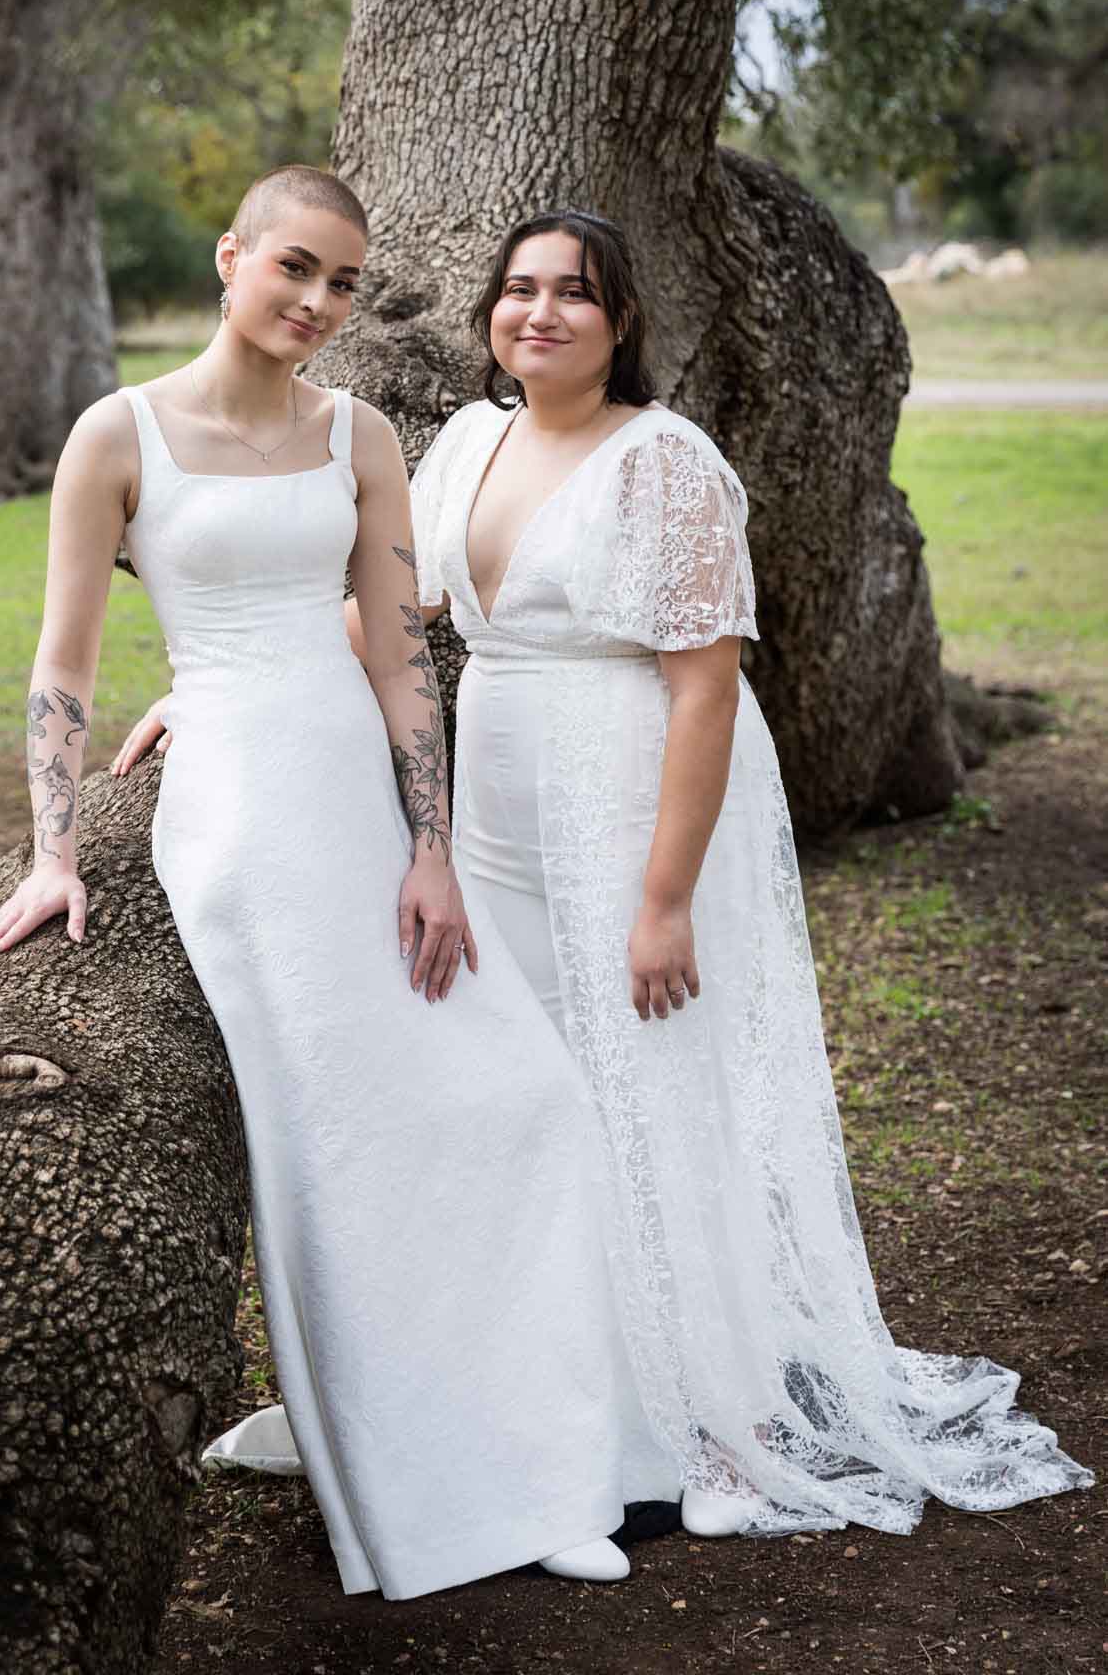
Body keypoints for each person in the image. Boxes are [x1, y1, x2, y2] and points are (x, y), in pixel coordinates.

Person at [117, 206, 1094, 1541]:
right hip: (501, 804)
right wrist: (217, 688)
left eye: (573, 294)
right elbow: (393, 617)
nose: (540, 313)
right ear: (490, 317)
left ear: (620, 322)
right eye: (517, 291)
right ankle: (511, 1390)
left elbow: (703, 694)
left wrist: (662, 900)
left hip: (633, 792)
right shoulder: (467, 444)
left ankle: (699, 1412)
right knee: (513, 1095)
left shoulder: (667, 465)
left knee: (647, 1086)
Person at [0, 168, 653, 1601]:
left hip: (353, 785)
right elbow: (65, 665)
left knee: (515, 1099)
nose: (316, 305)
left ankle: (544, 1459)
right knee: (334, 1143)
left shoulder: (360, 434)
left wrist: (431, 849)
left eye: (341, 283)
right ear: (231, 258)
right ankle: (427, 1492)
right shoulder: (119, 433)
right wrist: (51, 850)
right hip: (239, 819)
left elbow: (400, 656)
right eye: (294, 269)